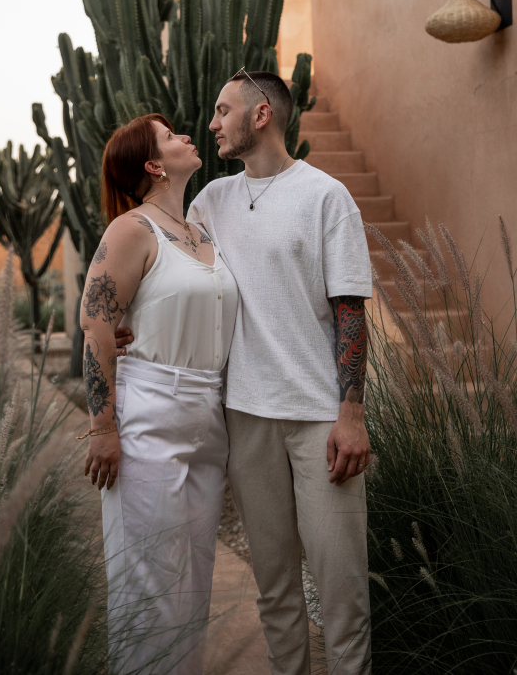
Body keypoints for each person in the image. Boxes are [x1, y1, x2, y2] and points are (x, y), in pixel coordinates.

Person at [117, 70, 373, 675]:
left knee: (342, 593)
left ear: (261, 116)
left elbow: (351, 312)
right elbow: (175, 276)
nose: (211, 124)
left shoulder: (327, 196)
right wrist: (128, 323)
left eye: (222, 111)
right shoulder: (209, 202)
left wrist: (352, 415)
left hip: (319, 420)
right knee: (275, 590)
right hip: (243, 419)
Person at [78, 112, 238, 675]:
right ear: (153, 165)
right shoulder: (131, 230)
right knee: (148, 587)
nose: (187, 136)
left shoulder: (201, 231)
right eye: (171, 137)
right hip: (148, 411)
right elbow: (95, 325)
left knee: (193, 584)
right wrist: (102, 428)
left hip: (208, 416)